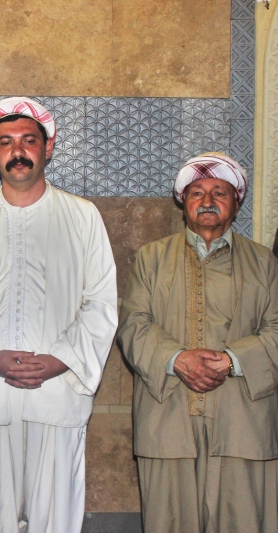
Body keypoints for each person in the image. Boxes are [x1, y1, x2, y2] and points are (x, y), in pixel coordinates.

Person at [0, 97, 118, 533]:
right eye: (6, 142)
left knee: (54, 518)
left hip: (57, 392)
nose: (17, 151)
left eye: (28, 140)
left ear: (48, 147)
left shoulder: (83, 216)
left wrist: (60, 359)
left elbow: (101, 303)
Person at [118, 153, 278, 533]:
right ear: (183, 202)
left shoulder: (265, 263)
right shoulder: (151, 259)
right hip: (168, 418)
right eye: (197, 193)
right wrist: (176, 358)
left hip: (243, 421)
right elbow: (133, 324)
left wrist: (233, 360)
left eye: (219, 192)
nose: (207, 201)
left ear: (236, 203)